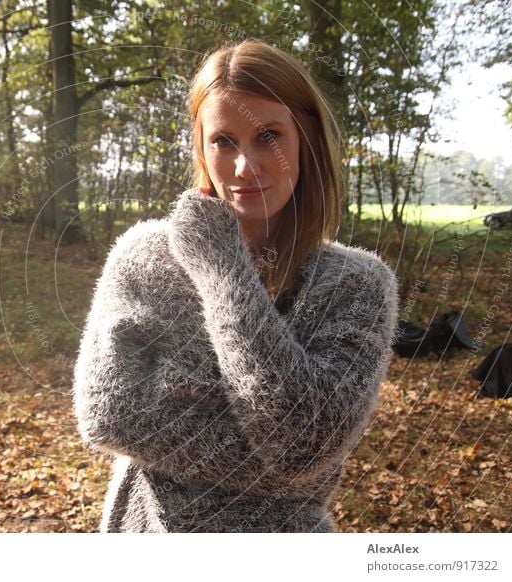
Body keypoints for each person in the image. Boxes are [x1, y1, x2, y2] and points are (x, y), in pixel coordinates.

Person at [71, 38, 401, 533]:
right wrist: (282, 461)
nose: (245, 166)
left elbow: (303, 443)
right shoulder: (142, 257)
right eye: (223, 141)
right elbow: (107, 412)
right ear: (201, 148)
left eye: (268, 135)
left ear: (306, 140)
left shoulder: (358, 284)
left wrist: (222, 267)